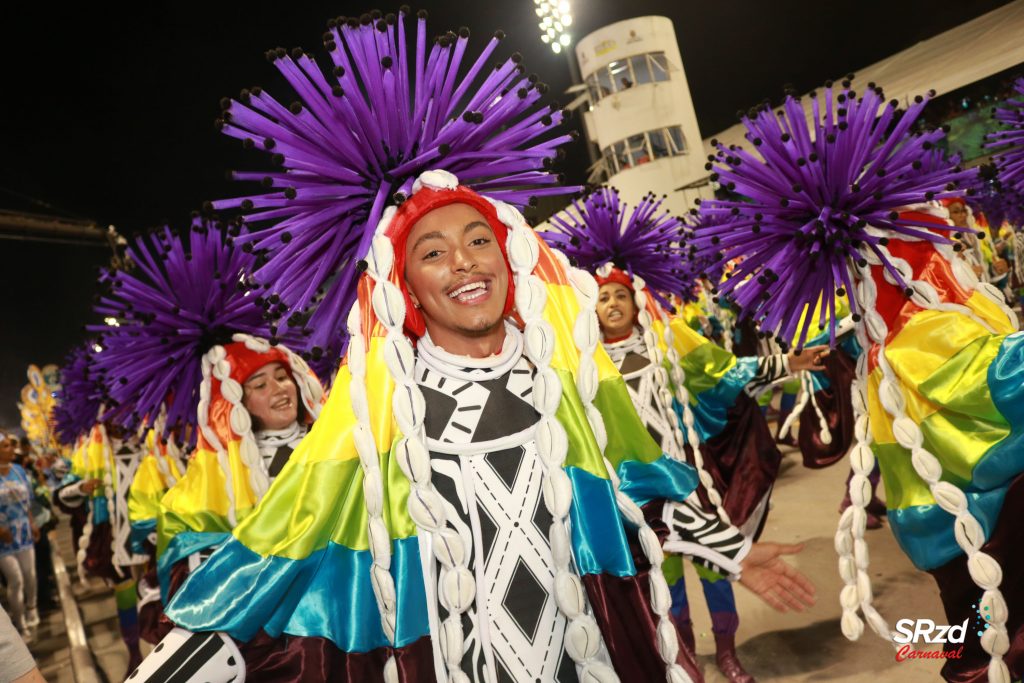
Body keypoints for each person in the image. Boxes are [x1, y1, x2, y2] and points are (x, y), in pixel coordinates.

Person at [694, 82, 1024, 683]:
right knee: (988, 655)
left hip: (957, 534)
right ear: (908, 257)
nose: (951, 241)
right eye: (934, 232)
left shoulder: (904, 331)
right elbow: (1006, 381)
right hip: (987, 537)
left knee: (973, 653)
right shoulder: (926, 332)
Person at [545, 188, 822, 682]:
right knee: (664, 581)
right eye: (602, 296)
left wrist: (787, 363)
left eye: (620, 295)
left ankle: (729, 655)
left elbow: (726, 373)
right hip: (639, 495)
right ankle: (687, 659)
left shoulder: (670, 347)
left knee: (718, 571)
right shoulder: (586, 366)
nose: (611, 303)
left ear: (637, 301)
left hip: (692, 484)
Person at [0, 431, 39, 642]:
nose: (11, 449)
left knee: (30, 575)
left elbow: (27, 501)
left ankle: (32, 607)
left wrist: (32, 523)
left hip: (23, 532)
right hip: (2, 539)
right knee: (15, 580)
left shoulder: (18, 471)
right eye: (5, 446)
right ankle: (21, 624)